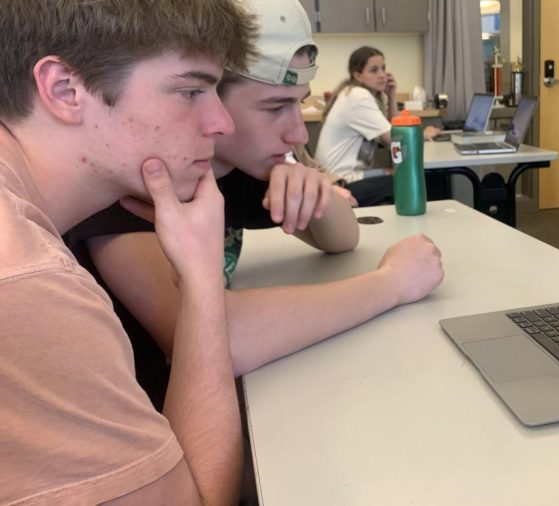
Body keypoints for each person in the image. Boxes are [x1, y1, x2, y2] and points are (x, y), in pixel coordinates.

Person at [65, 0, 445, 410]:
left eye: (298, 103)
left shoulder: (233, 172)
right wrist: (391, 282)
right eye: (275, 107)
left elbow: (341, 239)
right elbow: (217, 340)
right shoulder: (136, 187)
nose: (297, 131)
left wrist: (312, 184)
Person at [0, 0, 255, 503]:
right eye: (190, 91)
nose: (223, 123)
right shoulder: (28, 281)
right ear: (64, 90)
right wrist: (202, 276)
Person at [316, 46, 441, 207]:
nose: (382, 75)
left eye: (383, 68)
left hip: (345, 176)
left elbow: (396, 129)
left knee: (402, 174)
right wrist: (426, 134)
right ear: (358, 75)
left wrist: (391, 95)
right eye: (374, 70)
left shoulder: (354, 93)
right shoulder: (358, 97)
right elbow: (396, 140)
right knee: (418, 182)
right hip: (341, 182)